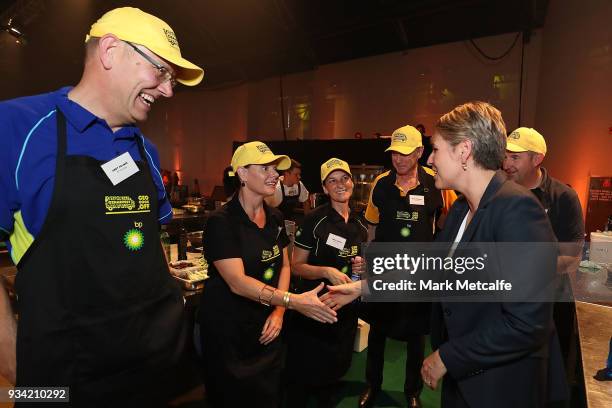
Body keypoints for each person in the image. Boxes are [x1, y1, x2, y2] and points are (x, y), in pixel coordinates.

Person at [0, 6, 204, 405]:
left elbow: (151, 242)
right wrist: (14, 371)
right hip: (61, 372)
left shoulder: (146, 149)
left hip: (153, 367)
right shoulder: (17, 126)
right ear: (110, 51)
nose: (168, 90)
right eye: (161, 71)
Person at [324, 102, 567, 407]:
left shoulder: (518, 210)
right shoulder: (463, 210)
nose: (429, 158)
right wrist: (364, 287)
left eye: (435, 149)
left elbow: (528, 323)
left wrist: (449, 357)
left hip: (502, 386)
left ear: (464, 151)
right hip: (467, 378)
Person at [198, 141, 337, 407]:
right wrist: (292, 302)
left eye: (275, 169)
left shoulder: (274, 217)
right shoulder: (221, 222)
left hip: (268, 325)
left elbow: (284, 265)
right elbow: (238, 282)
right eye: (265, 168)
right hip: (229, 330)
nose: (275, 174)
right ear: (242, 174)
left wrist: (279, 312)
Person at [359, 125, 456, 408]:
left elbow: (444, 225)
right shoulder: (381, 184)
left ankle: (411, 392)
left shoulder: (436, 184)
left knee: (416, 336)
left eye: (404, 154)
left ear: (419, 152)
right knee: (377, 331)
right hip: (385, 271)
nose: (398, 160)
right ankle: (372, 385)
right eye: (394, 154)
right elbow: (372, 229)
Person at [503, 127, 585, 392]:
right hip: (505, 304)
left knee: (543, 383)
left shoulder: (564, 197)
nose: (507, 164)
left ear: (537, 159)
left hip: (549, 307)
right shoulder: (500, 194)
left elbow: (572, 257)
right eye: (506, 156)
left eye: (515, 158)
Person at [285, 158, 368, 407]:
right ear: (324, 188)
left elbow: (359, 268)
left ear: (352, 182)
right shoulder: (314, 220)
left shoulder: (360, 222)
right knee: (307, 367)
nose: (340, 184)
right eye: (332, 180)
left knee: (338, 361)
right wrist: (326, 271)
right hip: (315, 306)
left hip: (345, 308)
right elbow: (296, 265)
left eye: (345, 178)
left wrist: (360, 269)